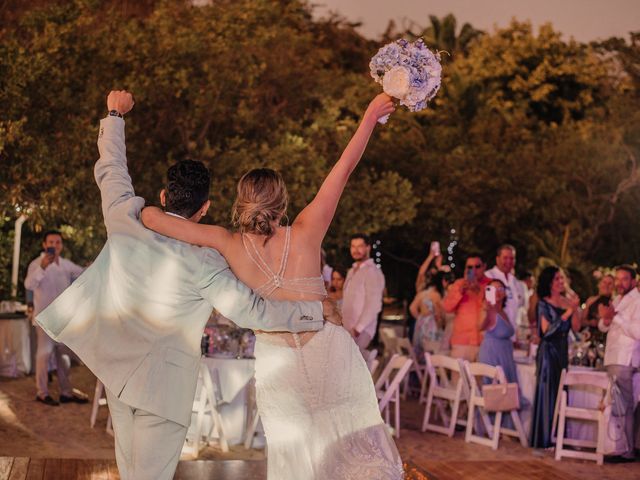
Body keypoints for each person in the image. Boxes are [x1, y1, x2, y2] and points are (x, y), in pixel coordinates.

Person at [36, 91, 329, 480]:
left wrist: (114, 114)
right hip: (163, 391)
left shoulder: (126, 218)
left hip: (116, 374)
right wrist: (315, 312)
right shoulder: (206, 261)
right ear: (205, 209)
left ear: (162, 196)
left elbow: (111, 168)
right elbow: (253, 312)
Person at [142, 93, 403, 479]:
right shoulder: (307, 229)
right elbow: (344, 167)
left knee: (295, 455)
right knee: (351, 449)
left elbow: (153, 219)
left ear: (241, 203)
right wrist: (369, 116)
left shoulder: (226, 242)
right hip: (330, 349)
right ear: (282, 203)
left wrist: (146, 207)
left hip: (278, 362)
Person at [24, 230, 88, 406]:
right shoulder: (36, 264)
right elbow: (29, 284)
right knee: (43, 356)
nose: (54, 245)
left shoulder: (66, 265)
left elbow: (82, 273)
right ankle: (42, 392)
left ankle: (66, 392)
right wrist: (43, 267)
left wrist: (92, 267)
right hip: (44, 320)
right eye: (51, 242)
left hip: (63, 320)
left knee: (64, 357)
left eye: (58, 242)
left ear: (61, 245)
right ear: (44, 245)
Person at [530, 266, 581, 448]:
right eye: (557, 279)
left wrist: (575, 309)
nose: (561, 282)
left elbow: (576, 327)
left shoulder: (567, 302)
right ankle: (544, 438)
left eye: (562, 278)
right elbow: (547, 331)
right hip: (548, 351)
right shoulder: (543, 303)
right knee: (548, 391)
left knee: (561, 392)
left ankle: (559, 437)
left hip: (562, 351)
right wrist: (567, 312)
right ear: (549, 283)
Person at [597, 265, 640, 463]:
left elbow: (637, 332)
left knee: (625, 406)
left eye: (624, 279)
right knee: (616, 406)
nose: (619, 283)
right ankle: (619, 447)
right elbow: (603, 326)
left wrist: (618, 318)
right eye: (617, 279)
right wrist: (606, 319)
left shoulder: (637, 301)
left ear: (632, 281)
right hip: (612, 358)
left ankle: (627, 450)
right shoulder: (617, 299)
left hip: (625, 358)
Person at [342, 233, 387, 353]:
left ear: (368, 247)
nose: (355, 250)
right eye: (353, 246)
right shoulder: (351, 271)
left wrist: (358, 328)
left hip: (361, 331)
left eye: (360, 246)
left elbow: (374, 304)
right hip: (347, 328)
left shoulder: (372, 272)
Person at [443, 254, 489, 363]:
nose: (473, 270)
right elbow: (447, 307)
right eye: (469, 267)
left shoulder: (490, 284)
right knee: (458, 378)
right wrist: (460, 293)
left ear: (484, 267)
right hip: (461, 342)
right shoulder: (459, 284)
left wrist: (479, 292)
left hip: (484, 342)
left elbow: (493, 309)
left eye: (477, 267)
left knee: (480, 379)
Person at [485, 244, 524, 339]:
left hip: (510, 336)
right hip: (493, 336)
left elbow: (517, 310)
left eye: (512, 258)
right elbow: (487, 307)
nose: (509, 262)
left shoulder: (515, 282)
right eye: (505, 258)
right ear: (497, 259)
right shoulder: (488, 277)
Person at [410, 270, 448, 356]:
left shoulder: (422, 293)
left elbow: (412, 308)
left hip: (420, 324)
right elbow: (440, 314)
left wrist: (421, 318)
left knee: (420, 349)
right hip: (431, 326)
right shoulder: (436, 295)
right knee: (432, 350)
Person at [583, 273, 614, 346]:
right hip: (590, 339)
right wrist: (590, 322)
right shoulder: (590, 301)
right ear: (599, 284)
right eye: (604, 282)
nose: (606, 285)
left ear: (614, 287)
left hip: (607, 341)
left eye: (610, 283)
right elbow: (582, 321)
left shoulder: (614, 303)